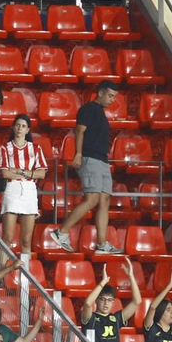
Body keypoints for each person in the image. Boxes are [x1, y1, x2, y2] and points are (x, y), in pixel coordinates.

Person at [51, 81, 120, 254]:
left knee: (104, 200)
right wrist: (78, 154)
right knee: (92, 199)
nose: (112, 100)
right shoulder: (88, 109)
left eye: (114, 97)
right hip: (90, 158)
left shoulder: (100, 112)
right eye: (110, 95)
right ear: (100, 93)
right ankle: (62, 232)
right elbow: (79, 131)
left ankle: (102, 244)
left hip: (102, 159)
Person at [0, 114, 46, 251]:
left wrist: (19, 171)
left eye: (23, 126)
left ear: (28, 129)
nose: (20, 128)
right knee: (7, 238)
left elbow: (41, 174)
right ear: (13, 127)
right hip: (12, 189)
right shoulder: (5, 148)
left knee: (26, 240)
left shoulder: (36, 148)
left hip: (29, 190)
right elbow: (5, 173)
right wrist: (29, 174)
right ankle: (2, 265)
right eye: (18, 125)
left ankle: (25, 265)